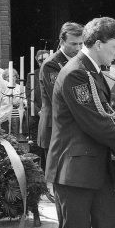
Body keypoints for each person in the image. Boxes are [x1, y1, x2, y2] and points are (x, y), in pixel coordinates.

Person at [46, 17, 115, 228]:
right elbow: (96, 121)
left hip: (94, 167)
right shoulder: (77, 73)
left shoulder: (92, 70)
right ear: (99, 44)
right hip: (74, 171)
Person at [38, 22, 83, 154]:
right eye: (74, 44)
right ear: (62, 41)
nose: (79, 48)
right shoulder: (51, 64)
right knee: (53, 173)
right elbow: (60, 97)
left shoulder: (78, 61)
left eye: (81, 44)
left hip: (69, 127)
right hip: (54, 127)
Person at [26, 50, 49, 144]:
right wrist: (39, 112)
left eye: (45, 59)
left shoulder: (56, 73)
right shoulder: (32, 75)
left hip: (52, 117)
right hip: (36, 117)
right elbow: (29, 97)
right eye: (40, 60)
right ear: (37, 61)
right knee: (36, 146)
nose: (43, 62)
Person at [2, 68, 26, 135]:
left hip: (19, 115)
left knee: (18, 135)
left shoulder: (22, 88)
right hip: (6, 116)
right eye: (8, 76)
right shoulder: (2, 88)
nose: (11, 78)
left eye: (13, 76)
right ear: (4, 78)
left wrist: (21, 102)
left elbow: (26, 101)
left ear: (16, 77)